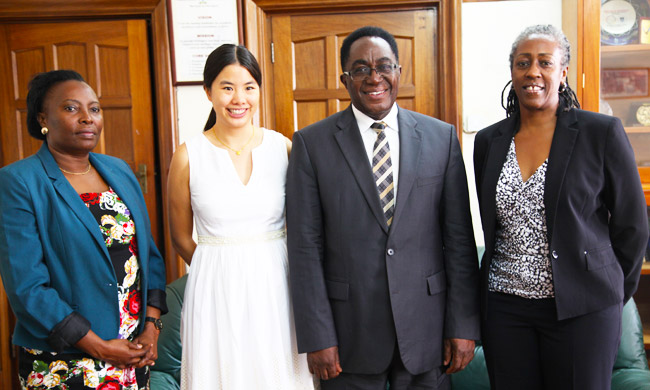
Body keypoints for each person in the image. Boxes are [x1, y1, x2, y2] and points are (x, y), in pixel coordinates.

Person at [286, 26, 480, 390]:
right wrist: (317, 336)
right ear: (345, 79)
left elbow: (459, 243)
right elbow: (304, 249)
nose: (374, 78)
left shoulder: (441, 138)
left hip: (428, 332)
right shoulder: (312, 145)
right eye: (361, 69)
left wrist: (463, 325)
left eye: (384, 66)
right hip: (348, 336)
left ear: (399, 72)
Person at [473, 25, 649, 390]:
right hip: (504, 310)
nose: (532, 72)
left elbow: (633, 226)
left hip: (582, 308)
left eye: (544, 62)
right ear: (512, 71)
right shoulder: (489, 141)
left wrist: (612, 290)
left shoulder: (600, 133)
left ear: (563, 71)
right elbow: (493, 223)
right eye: (523, 63)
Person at [0, 70, 168, 389]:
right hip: (65, 360)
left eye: (94, 109)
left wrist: (150, 327)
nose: (87, 118)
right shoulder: (19, 182)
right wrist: (98, 346)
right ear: (42, 119)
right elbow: (27, 287)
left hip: (132, 353)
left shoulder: (119, 171)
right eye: (71, 108)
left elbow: (148, 258)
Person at [167, 44, 315, 389]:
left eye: (249, 87)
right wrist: (215, 264)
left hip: (277, 281)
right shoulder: (189, 155)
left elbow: (306, 223)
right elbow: (179, 236)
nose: (239, 99)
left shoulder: (284, 148)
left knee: (278, 373)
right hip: (214, 286)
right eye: (227, 87)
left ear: (259, 90)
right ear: (208, 91)